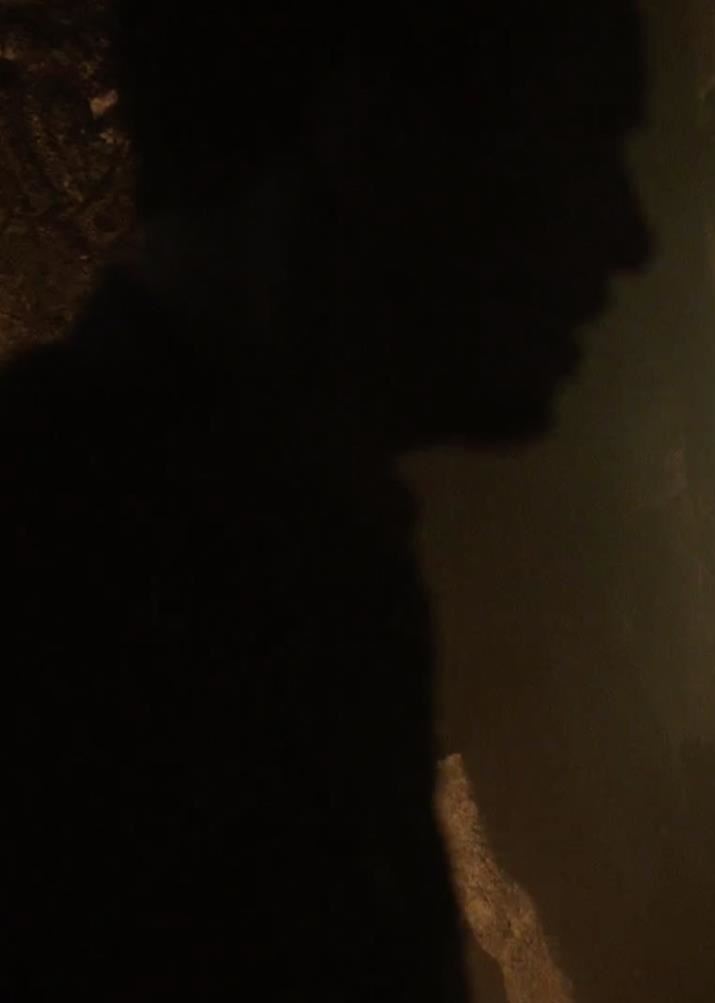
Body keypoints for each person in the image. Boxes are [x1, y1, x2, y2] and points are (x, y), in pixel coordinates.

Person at [0, 2, 649, 998]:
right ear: (369, 134)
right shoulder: (78, 584)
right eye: (574, 148)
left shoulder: (301, 550)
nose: (628, 238)